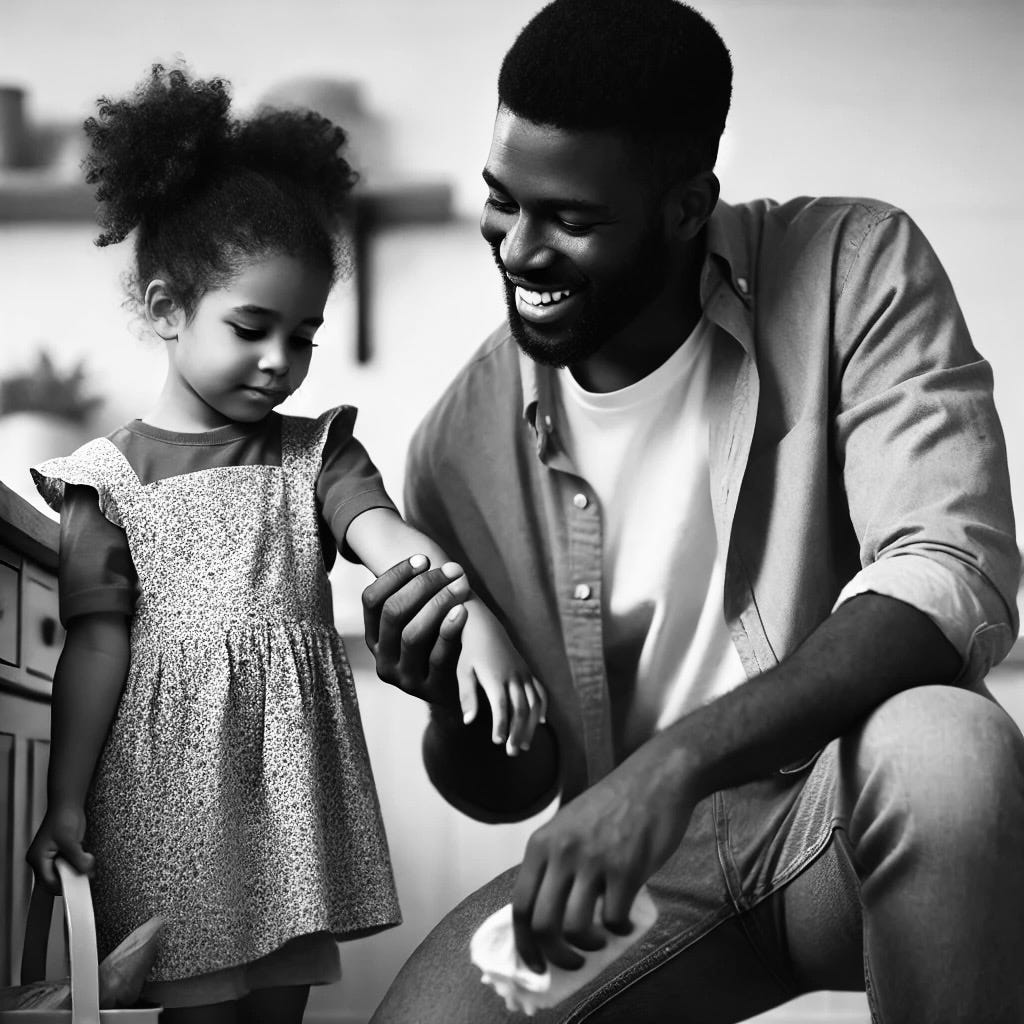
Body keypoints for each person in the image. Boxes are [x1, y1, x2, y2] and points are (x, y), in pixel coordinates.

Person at [362, 1, 1024, 1021]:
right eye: (502, 202)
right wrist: (448, 701)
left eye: (571, 220)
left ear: (685, 208)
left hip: (835, 808)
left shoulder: (854, 266)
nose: (519, 250)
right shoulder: (457, 444)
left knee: (948, 744)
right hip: (634, 877)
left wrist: (671, 767)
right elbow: (510, 787)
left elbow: (946, 568)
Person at [25, 65, 545, 1024]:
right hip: (166, 806)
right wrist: (64, 801)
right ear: (168, 307)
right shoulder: (104, 481)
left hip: (289, 808)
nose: (280, 362)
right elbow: (95, 650)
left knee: (276, 1012)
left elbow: (390, 539)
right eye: (251, 328)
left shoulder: (318, 455)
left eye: (302, 336)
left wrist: (477, 620)